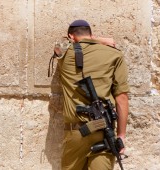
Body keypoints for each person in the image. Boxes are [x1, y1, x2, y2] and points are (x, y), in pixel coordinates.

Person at [57, 19, 129, 170]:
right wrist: (121, 135)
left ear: (71, 36)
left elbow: (58, 45)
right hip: (104, 130)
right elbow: (121, 98)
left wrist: (90, 39)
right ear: (91, 34)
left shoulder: (65, 53)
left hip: (77, 133)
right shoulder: (114, 54)